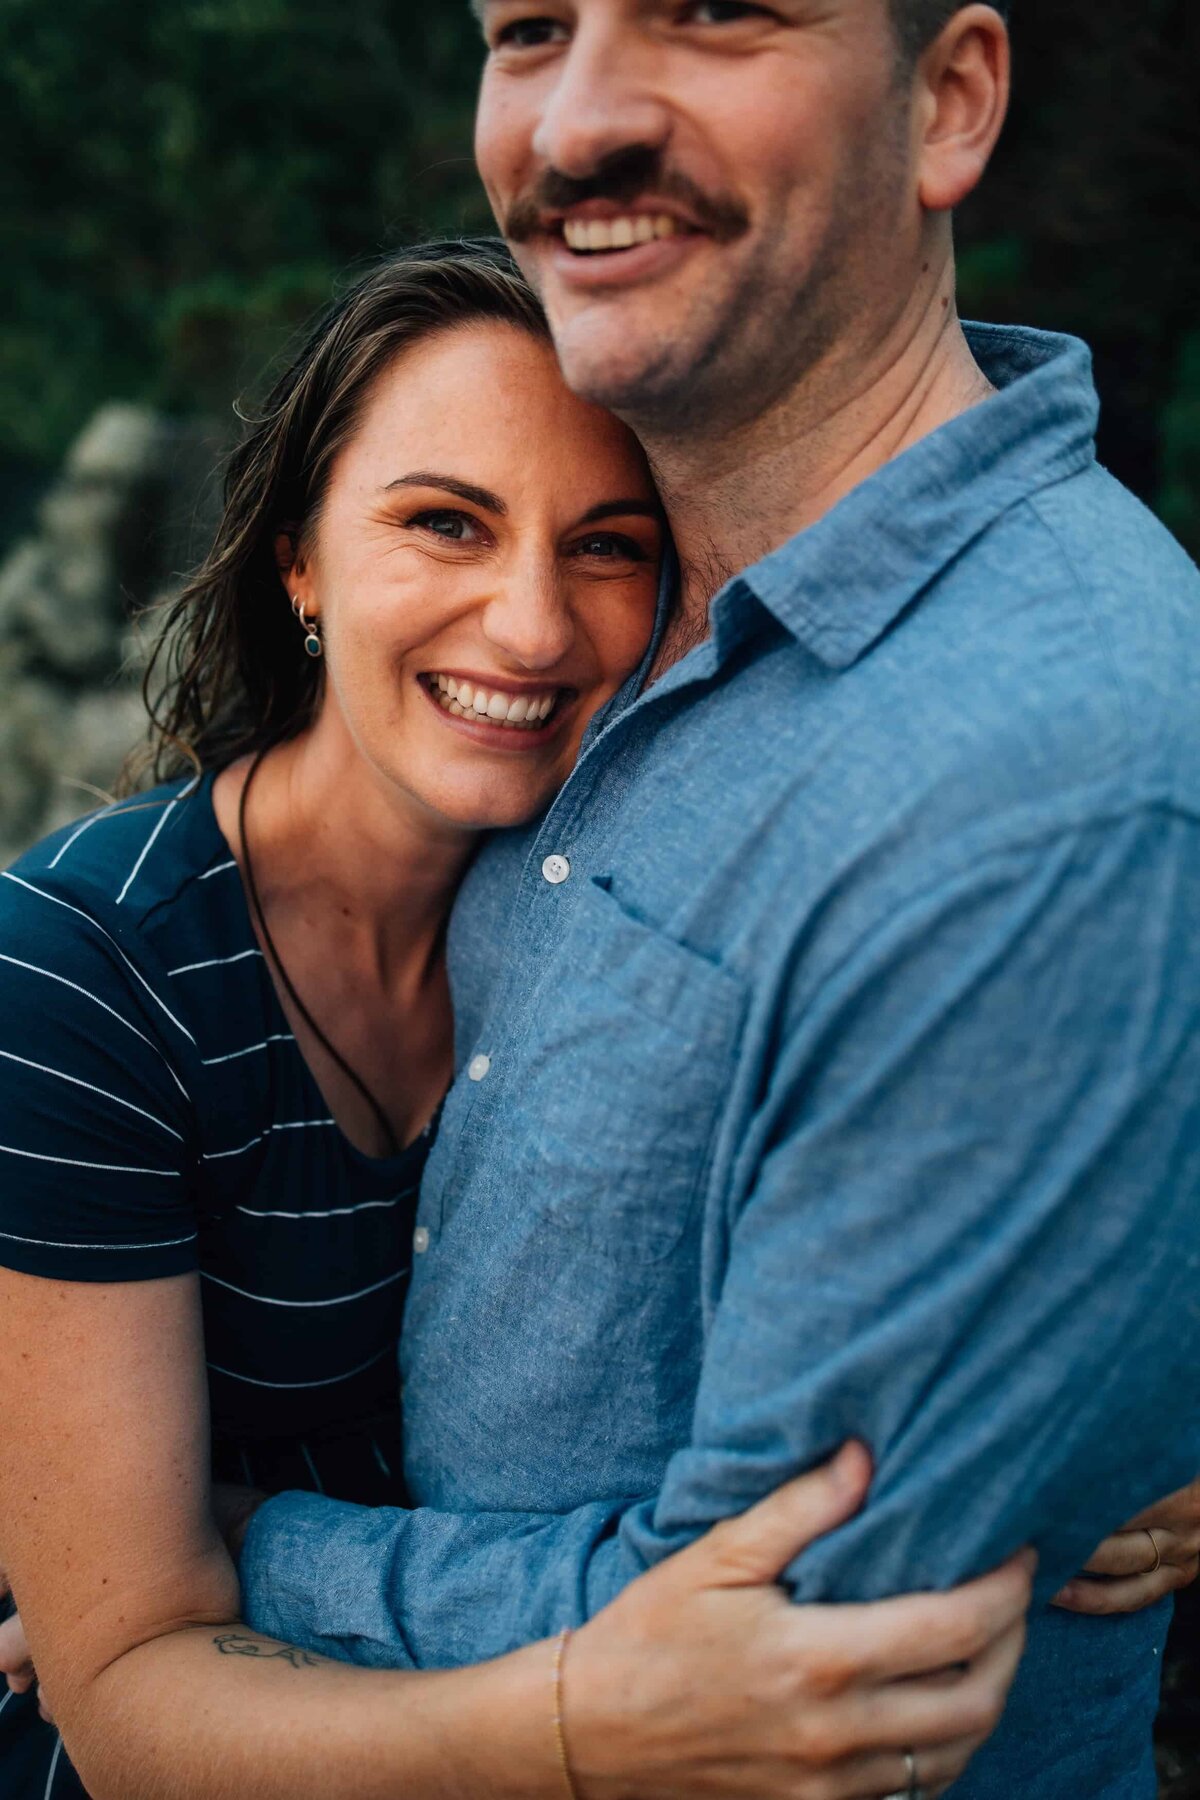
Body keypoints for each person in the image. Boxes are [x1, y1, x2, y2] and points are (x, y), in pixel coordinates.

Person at [210, 3, 1199, 1798]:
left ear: (950, 100)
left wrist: (232, 1563)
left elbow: (787, 1655)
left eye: (714, 13)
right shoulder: (601, 607)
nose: (578, 118)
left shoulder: (1035, 771)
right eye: (527, 30)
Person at [0, 242, 1035, 1800]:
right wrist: (590, 1723)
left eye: (609, 547)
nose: (533, 626)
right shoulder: (77, 974)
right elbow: (131, 1699)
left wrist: (1106, 1432)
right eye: (444, 524)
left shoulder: (643, 912)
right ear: (299, 557)